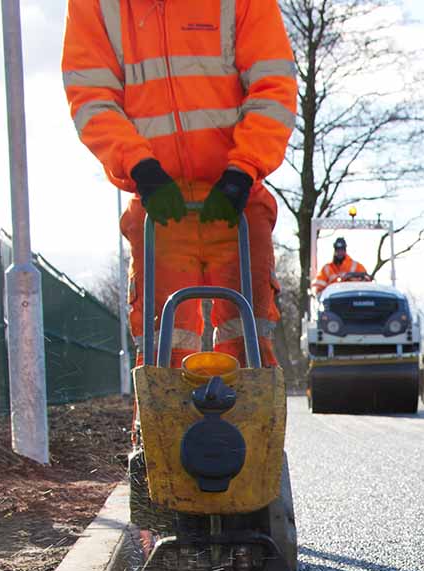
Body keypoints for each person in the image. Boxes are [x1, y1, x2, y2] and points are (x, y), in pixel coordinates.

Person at [62, 0, 297, 368]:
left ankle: (249, 421)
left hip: (234, 197)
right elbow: (92, 98)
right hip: (160, 204)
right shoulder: (97, 5)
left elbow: (273, 88)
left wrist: (242, 170)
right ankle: (162, 423)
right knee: (163, 351)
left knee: (247, 343)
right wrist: (140, 168)